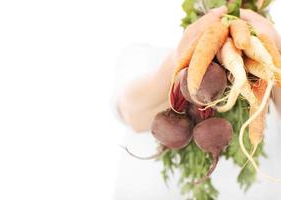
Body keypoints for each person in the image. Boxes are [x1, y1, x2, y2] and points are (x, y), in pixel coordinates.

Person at [114, 6, 281, 200]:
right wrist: (177, 62)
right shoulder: (143, 53)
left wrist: (275, 51)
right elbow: (132, 113)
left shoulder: (267, 63)